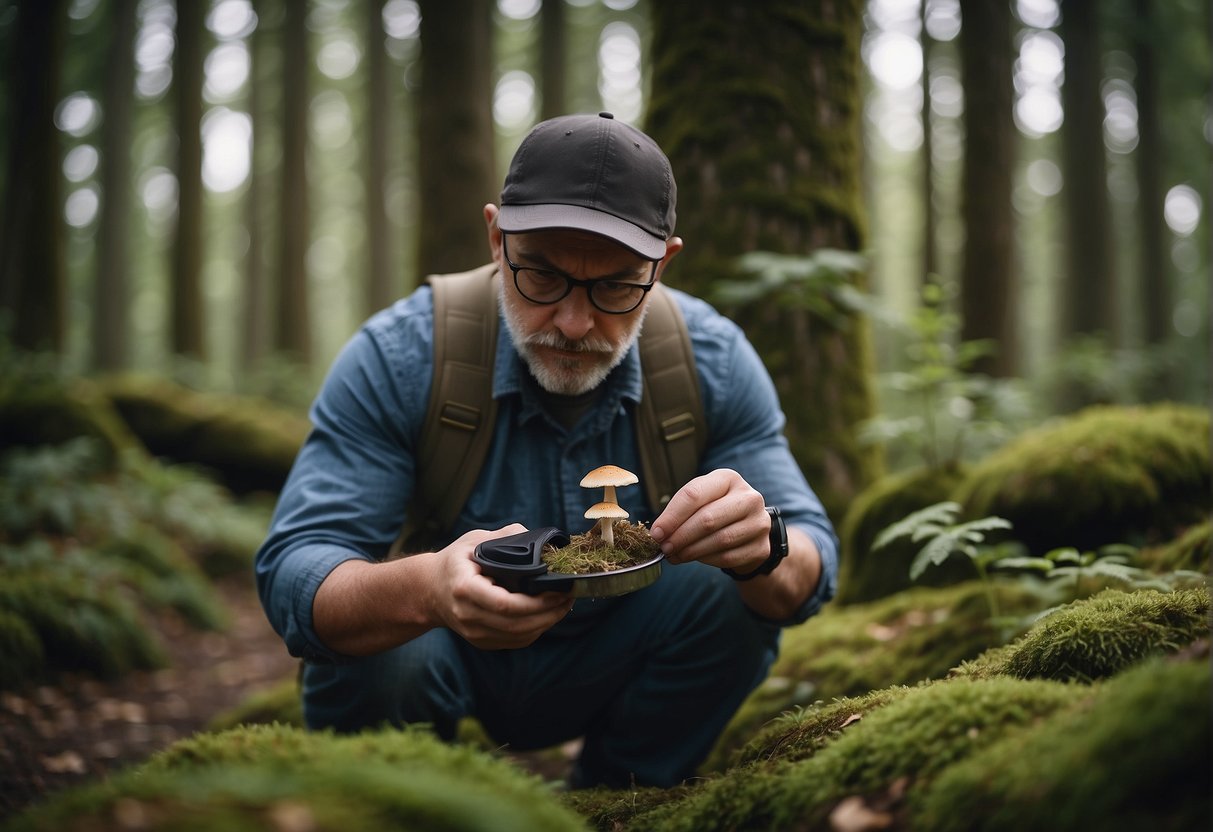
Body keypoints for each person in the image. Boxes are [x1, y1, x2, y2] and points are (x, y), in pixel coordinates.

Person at [255, 111, 839, 789]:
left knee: (726, 588)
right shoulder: (402, 357)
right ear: (497, 237)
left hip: (624, 650)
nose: (572, 321)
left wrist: (762, 545)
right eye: (541, 276)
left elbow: (810, 565)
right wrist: (428, 589)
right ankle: (398, 804)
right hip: (445, 657)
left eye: (616, 285)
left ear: (664, 262)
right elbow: (294, 572)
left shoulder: (710, 361)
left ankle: (622, 802)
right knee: (379, 644)